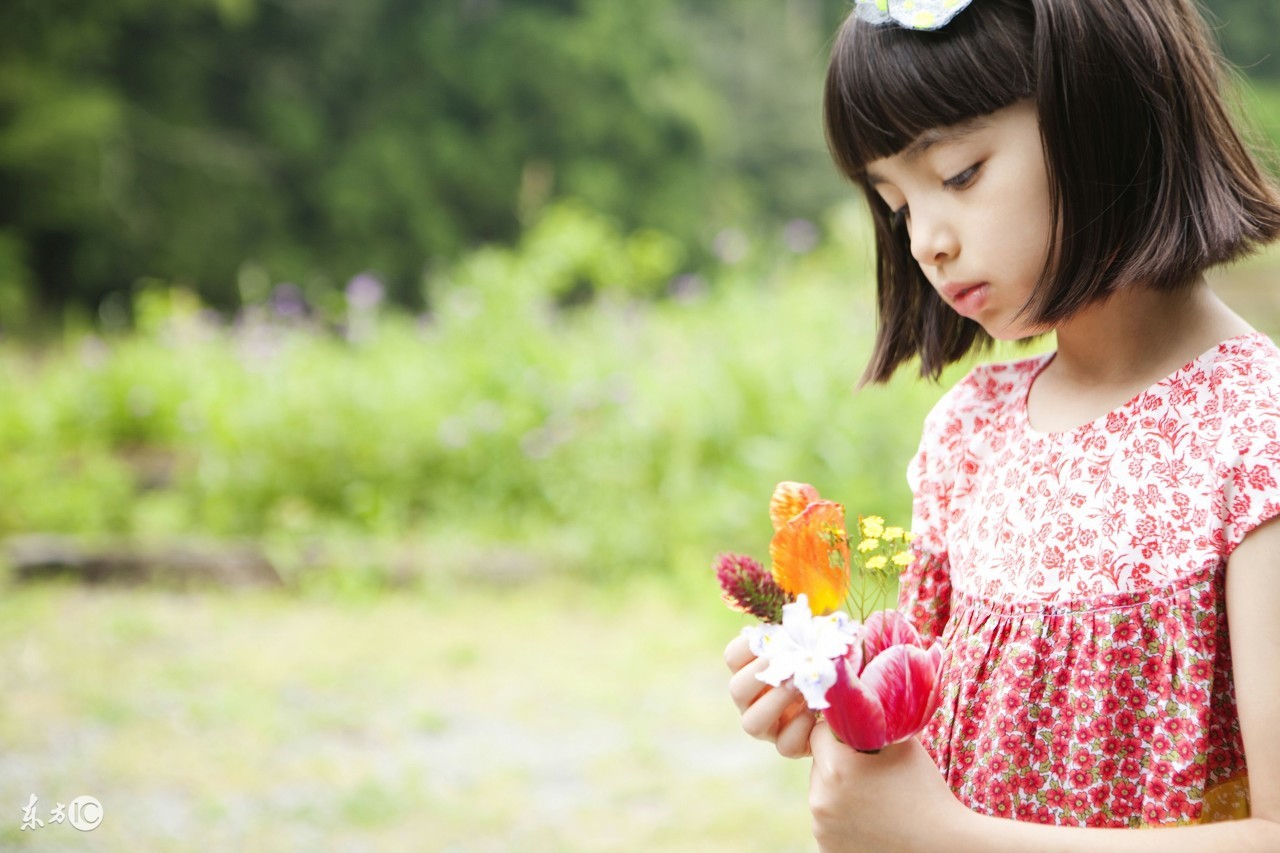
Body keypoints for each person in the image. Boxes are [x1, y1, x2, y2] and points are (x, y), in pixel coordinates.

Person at [724, 0, 1280, 848]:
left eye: (957, 173)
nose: (926, 243)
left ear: (1101, 109)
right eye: (897, 205)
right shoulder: (969, 432)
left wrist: (939, 835)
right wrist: (838, 701)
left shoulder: (1255, 438)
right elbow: (931, 739)